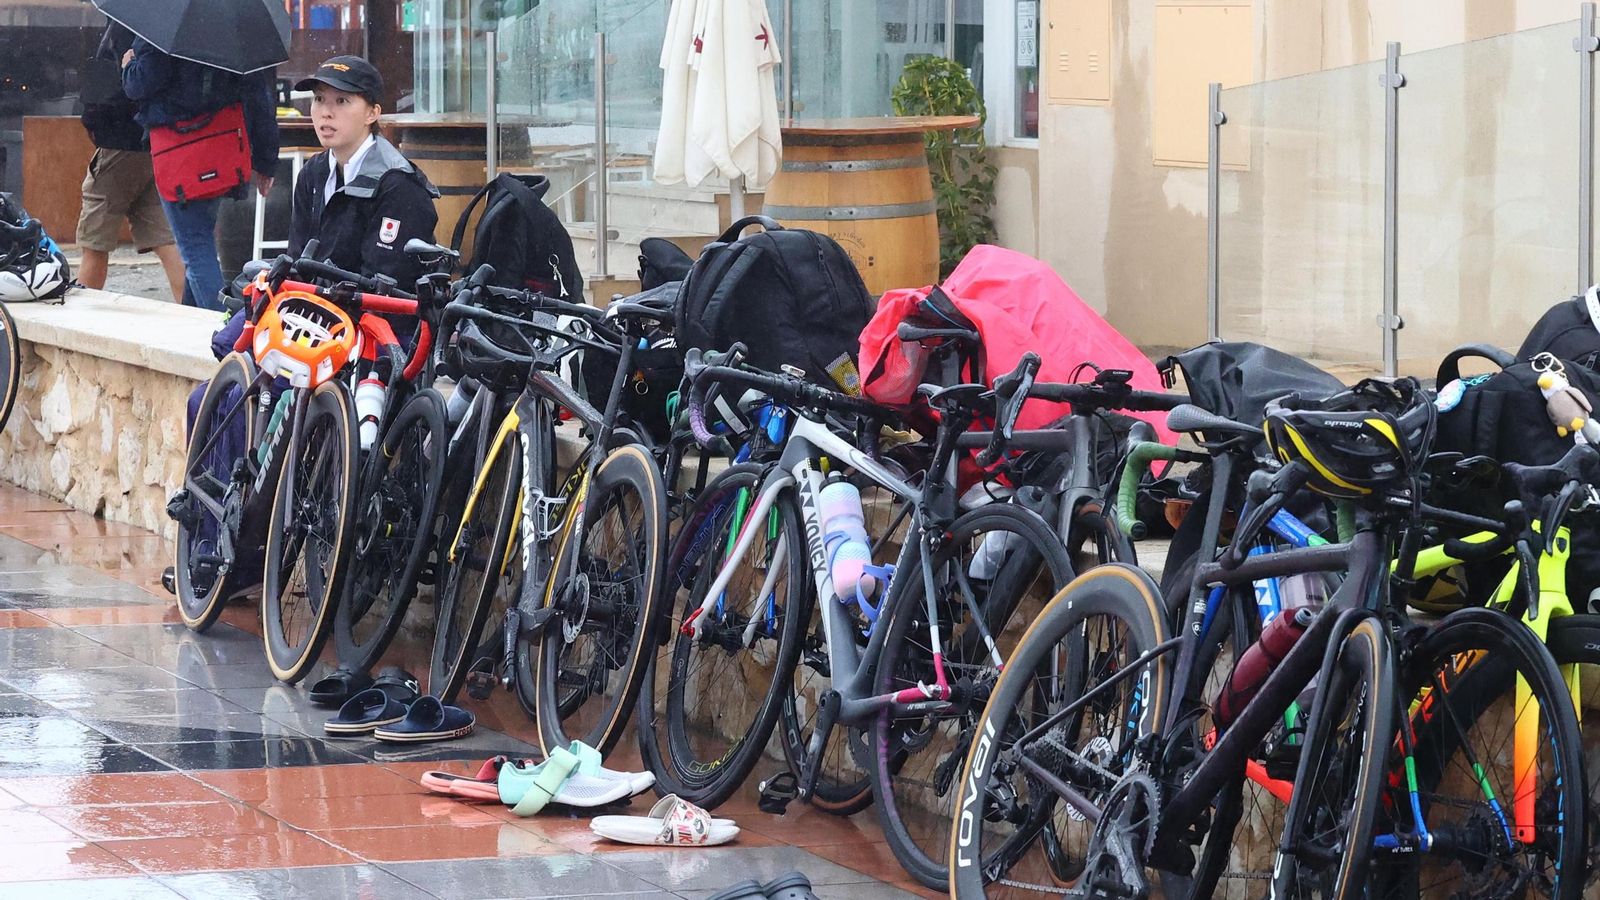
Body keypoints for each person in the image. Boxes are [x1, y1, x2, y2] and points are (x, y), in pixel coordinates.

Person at [165, 56, 441, 597]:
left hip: (365, 338)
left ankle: (243, 557)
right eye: (319, 101)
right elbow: (297, 257)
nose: (326, 113)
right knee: (210, 401)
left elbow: (388, 283)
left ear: (374, 113)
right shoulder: (314, 174)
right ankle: (210, 544)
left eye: (342, 102)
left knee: (279, 411)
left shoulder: (398, 186)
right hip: (307, 323)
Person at [121, 37, 279, 311]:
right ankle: (189, 322)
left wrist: (129, 66)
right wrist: (266, 158)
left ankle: (222, 326)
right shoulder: (232, 28)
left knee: (196, 249)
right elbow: (258, 93)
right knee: (200, 241)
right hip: (223, 147)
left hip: (178, 152)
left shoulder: (165, 23)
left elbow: (143, 83)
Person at [77, 22, 186, 301]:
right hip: (151, 141)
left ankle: (77, 319)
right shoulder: (159, 25)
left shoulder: (127, 24)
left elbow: (116, 88)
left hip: (118, 141)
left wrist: (93, 118)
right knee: (164, 238)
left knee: (94, 239)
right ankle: (196, 313)